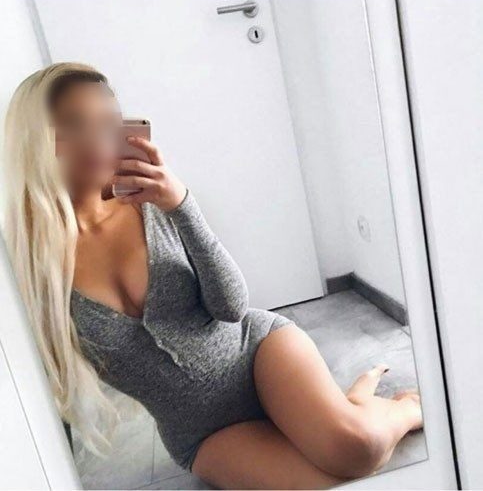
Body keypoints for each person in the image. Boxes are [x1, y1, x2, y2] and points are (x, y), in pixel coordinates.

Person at [3, 62, 422, 489]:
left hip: (257, 355)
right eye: (74, 125)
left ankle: (405, 408)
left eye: (108, 122)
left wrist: (182, 205)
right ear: (33, 139)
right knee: (325, 483)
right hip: (203, 433)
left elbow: (232, 307)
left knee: (357, 450)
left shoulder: (154, 204)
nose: (97, 139)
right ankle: (353, 405)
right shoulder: (31, 266)